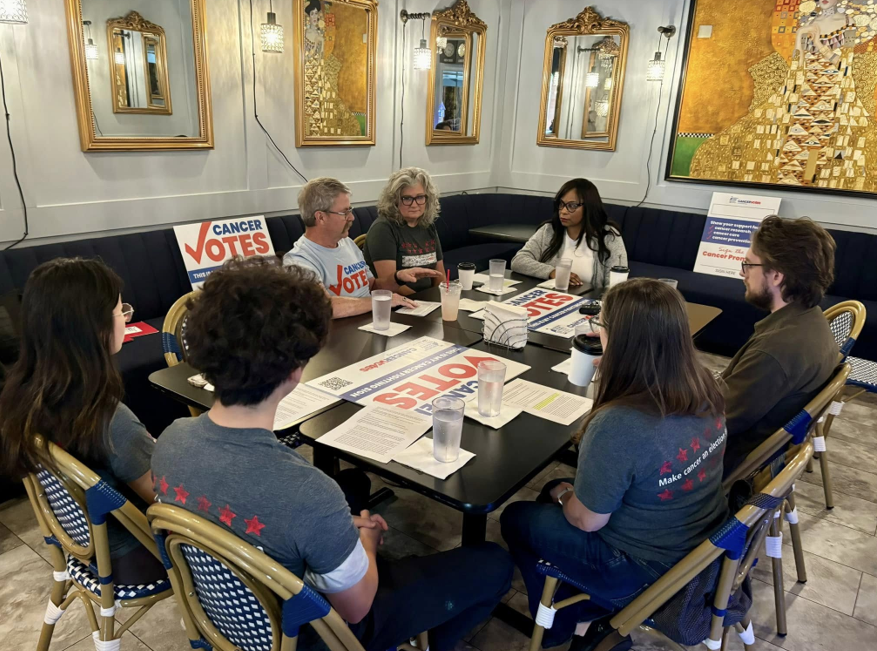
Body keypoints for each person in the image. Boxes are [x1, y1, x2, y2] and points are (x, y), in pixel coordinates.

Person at [152, 258, 513, 651]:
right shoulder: (308, 491)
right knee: (493, 563)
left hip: (226, 616)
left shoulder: (171, 440)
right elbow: (356, 608)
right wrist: (368, 543)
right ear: (296, 371)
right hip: (313, 637)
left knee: (352, 484)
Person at [501, 278, 728, 650]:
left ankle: (561, 624)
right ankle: (581, 608)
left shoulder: (621, 423)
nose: (596, 331)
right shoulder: (706, 383)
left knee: (516, 517)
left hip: (642, 568)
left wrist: (564, 497)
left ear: (620, 339)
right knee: (552, 491)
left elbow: (588, 521)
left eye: (601, 324)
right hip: (695, 545)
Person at [0, 258, 165, 584]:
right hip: (133, 558)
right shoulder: (108, 418)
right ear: (95, 328)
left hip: (83, 545)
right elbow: (168, 498)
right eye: (122, 311)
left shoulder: (24, 394)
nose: (126, 319)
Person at [721, 215, 838, 474]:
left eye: (748, 264)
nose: (742, 273)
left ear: (775, 276)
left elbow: (713, 423)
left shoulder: (774, 352)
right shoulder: (813, 320)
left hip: (720, 467)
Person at [283, 177, 442, 318]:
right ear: (321, 217)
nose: (351, 217)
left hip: (372, 322)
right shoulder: (298, 261)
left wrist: (398, 277)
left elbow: (372, 286)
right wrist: (381, 300)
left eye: (350, 210)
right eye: (344, 212)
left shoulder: (347, 244)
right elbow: (324, 306)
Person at [511, 178, 627, 289]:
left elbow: (617, 286)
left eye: (572, 206)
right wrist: (551, 272)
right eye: (561, 204)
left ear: (589, 207)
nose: (563, 211)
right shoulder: (549, 230)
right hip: (551, 298)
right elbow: (518, 261)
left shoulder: (608, 236)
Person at [364, 167, 445, 295]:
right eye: (407, 198)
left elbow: (440, 276)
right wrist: (423, 302)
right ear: (395, 200)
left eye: (420, 197)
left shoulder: (427, 225)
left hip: (428, 302)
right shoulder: (383, 229)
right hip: (400, 303)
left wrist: (440, 297)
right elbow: (390, 285)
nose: (414, 204)